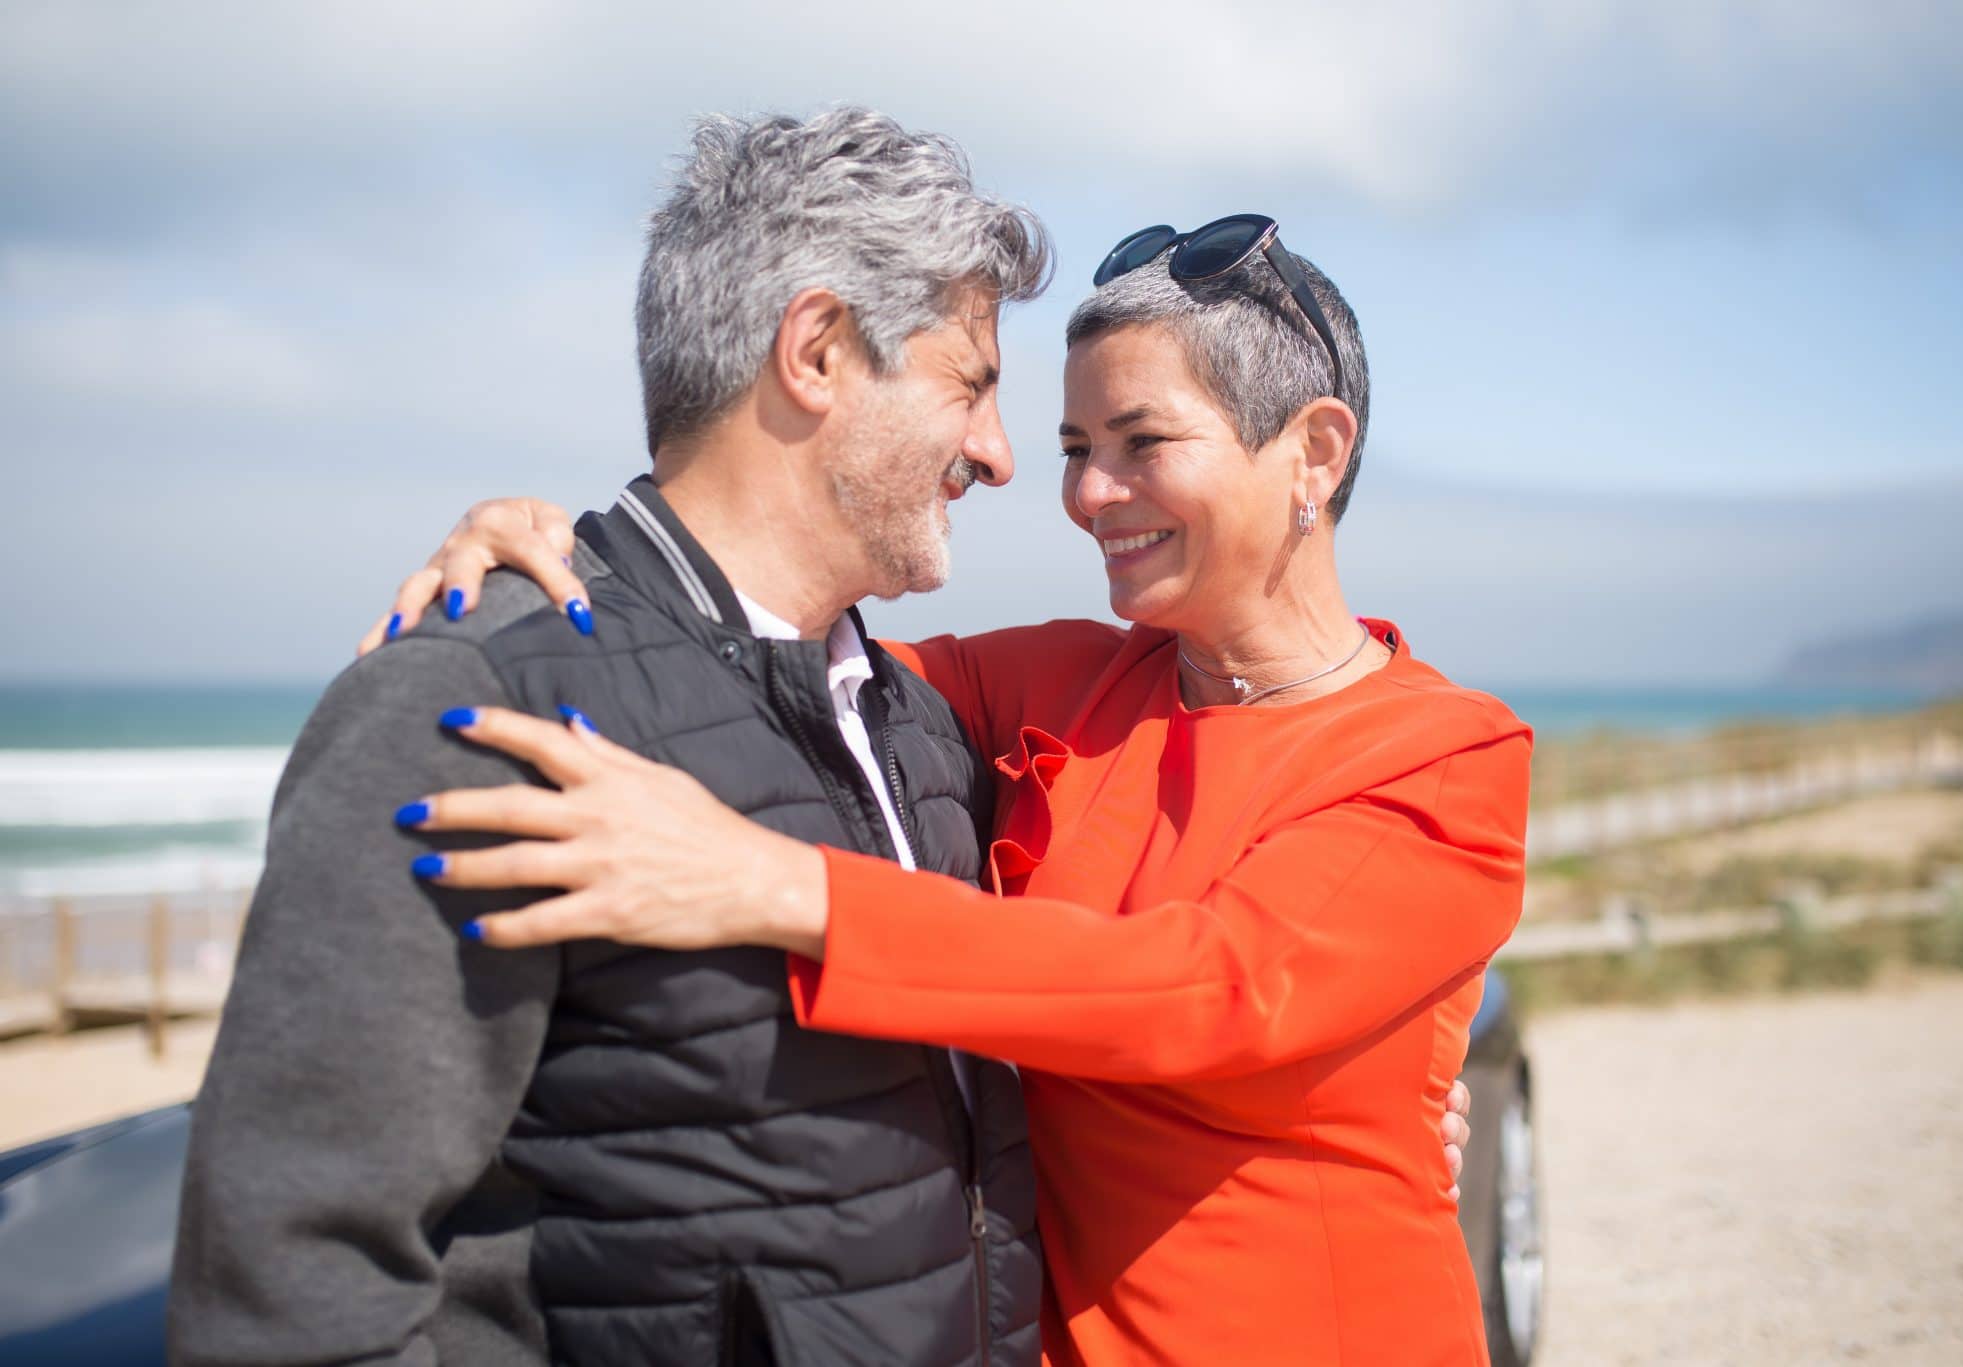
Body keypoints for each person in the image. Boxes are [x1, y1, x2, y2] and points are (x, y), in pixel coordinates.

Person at [371, 216, 1527, 1363]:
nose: (1089, 491)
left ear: (1314, 452)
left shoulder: (1445, 755)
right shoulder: (1057, 679)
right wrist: (572, 555)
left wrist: (778, 886)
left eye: (1140, 440)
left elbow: (1209, 988)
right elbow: (743, 661)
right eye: (1076, 447)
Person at [169, 108, 1058, 1367]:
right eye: (969, 384)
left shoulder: (922, 729)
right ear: (815, 350)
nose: (998, 455)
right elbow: (294, 1280)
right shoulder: (476, 704)